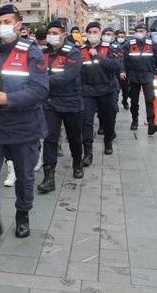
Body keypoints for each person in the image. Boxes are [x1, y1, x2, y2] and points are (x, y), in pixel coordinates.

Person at [0, 4, 48, 246]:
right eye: (0, 21)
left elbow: (40, 89)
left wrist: (8, 99)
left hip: (23, 125)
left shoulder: (31, 51)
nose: (3, 25)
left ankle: (22, 214)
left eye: (8, 21)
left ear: (18, 24)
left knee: (25, 176)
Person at [39, 20, 83, 194]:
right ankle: (48, 177)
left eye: (55, 33)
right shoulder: (42, 53)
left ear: (64, 35)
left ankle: (77, 162)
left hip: (71, 101)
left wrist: (41, 82)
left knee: (74, 137)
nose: (52, 36)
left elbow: (68, 75)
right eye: (50, 33)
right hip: (50, 103)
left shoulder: (73, 52)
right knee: (50, 139)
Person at [80, 22, 122, 166]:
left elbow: (115, 66)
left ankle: (108, 140)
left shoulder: (109, 48)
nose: (92, 34)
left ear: (100, 33)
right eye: (90, 31)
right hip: (87, 91)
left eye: (95, 32)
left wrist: (97, 55)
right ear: (86, 34)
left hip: (106, 90)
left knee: (109, 119)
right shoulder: (80, 50)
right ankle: (87, 152)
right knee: (86, 122)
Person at [121, 23, 157, 135]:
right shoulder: (128, 45)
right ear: (135, 32)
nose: (140, 33)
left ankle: (151, 123)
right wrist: (123, 71)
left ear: (146, 32)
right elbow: (123, 61)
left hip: (148, 75)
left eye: (142, 31)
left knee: (150, 99)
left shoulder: (152, 45)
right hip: (133, 76)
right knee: (134, 100)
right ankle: (135, 120)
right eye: (138, 31)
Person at [114, 29, 130, 109]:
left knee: (126, 88)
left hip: (126, 69)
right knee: (116, 88)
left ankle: (125, 101)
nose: (120, 38)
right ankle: (115, 103)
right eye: (119, 36)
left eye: (122, 37)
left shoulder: (128, 45)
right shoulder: (112, 45)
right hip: (115, 70)